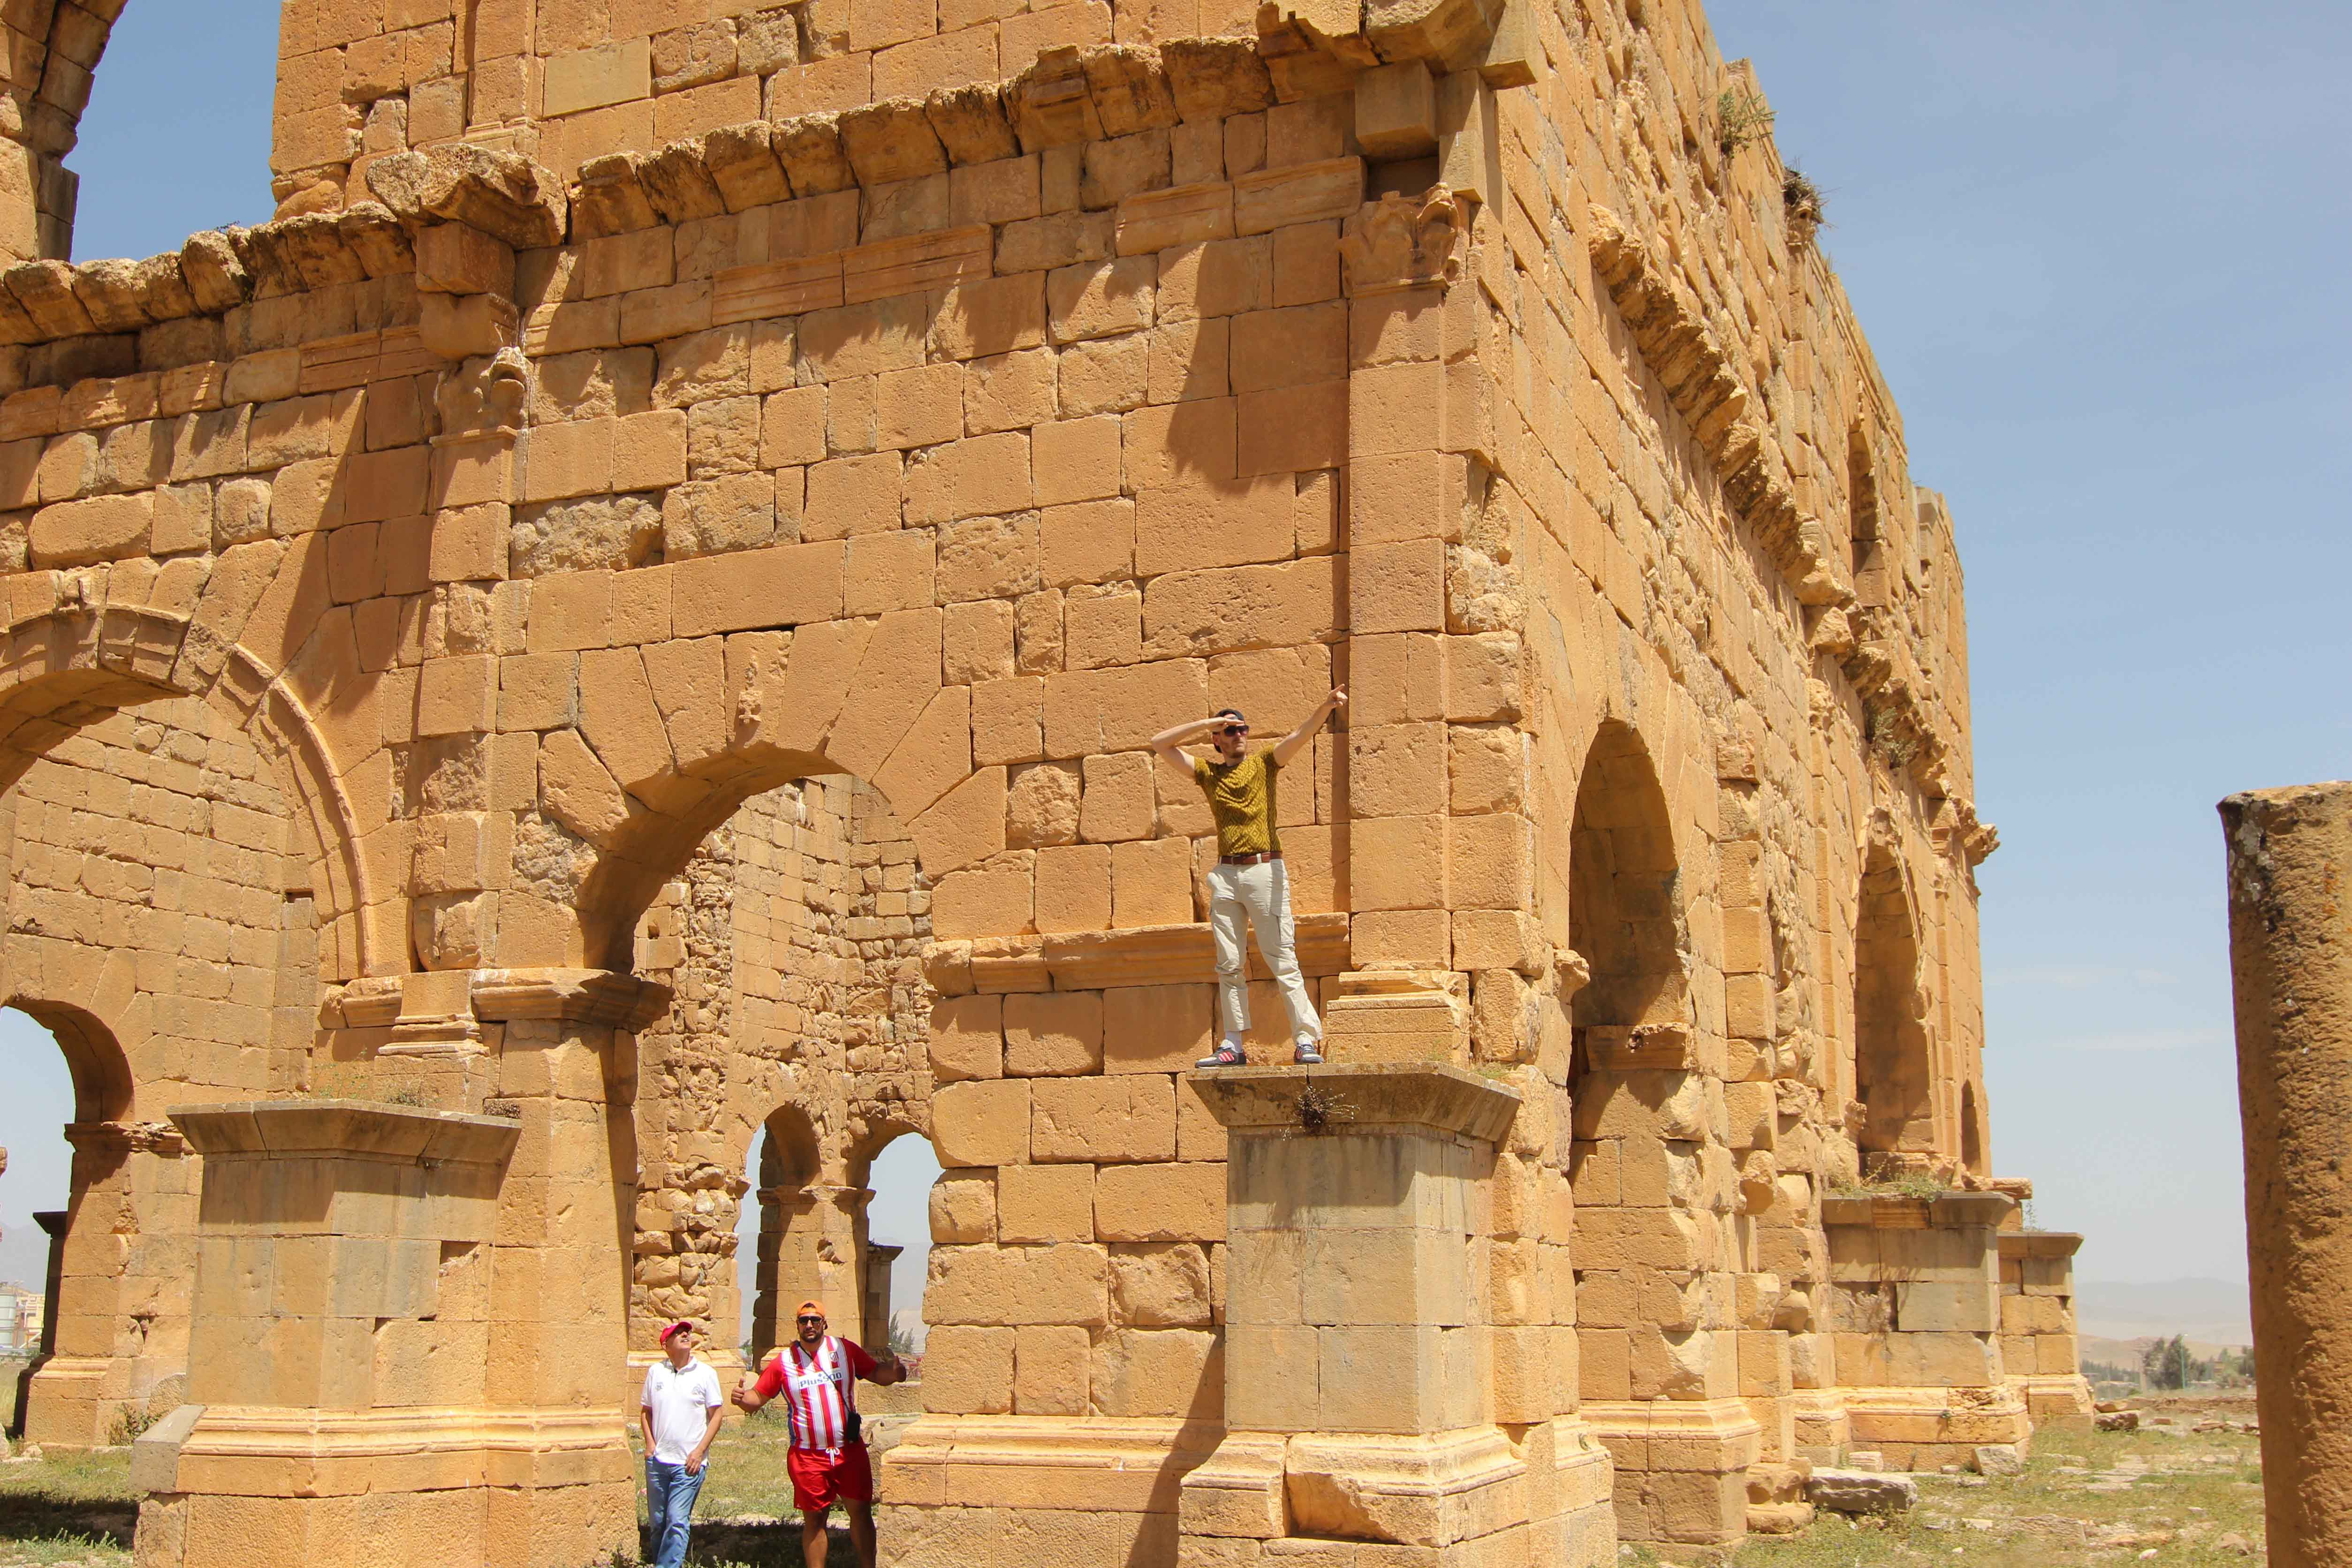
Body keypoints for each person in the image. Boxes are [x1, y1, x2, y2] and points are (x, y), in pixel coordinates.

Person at [1149, 688, 1347, 1067]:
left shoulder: (1264, 764)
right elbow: (1160, 743)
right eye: (1231, 730)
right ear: (1217, 739)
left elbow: (1299, 736)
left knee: (1282, 956)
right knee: (1229, 963)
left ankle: (1305, 1039)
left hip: (1264, 869)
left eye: (1242, 728)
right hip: (1226, 873)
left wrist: (1324, 707)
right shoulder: (1208, 774)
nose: (1239, 734)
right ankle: (1233, 1044)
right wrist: (1209, 722)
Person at [733, 1299, 907, 1568]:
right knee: (815, 1519)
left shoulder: (844, 1350)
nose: (810, 1325)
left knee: (861, 1512)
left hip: (848, 1451)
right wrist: (742, 1398)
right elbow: (757, 1397)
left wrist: (896, 1374)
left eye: (815, 1320)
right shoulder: (784, 1362)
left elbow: (875, 1373)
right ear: (797, 1326)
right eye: (804, 1321)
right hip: (808, 1456)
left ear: (824, 1323)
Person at [640, 1320, 726, 1568]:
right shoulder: (656, 1372)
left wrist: (699, 1452)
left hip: (689, 1463)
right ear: (666, 1345)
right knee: (658, 1523)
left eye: (687, 1332)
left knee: (677, 1520)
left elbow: (717, 1415)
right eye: (678, 1333)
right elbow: (646, 1412)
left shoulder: (706, 1373)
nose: (685, 1335)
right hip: (658, 1462)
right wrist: (650, 1446)